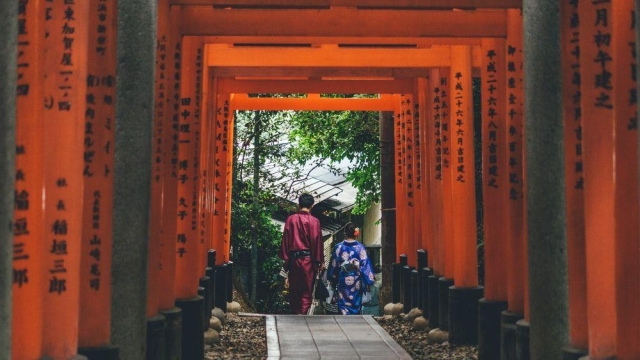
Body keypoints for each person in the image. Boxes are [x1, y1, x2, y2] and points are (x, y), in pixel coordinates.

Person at [278, 193, 324, 314]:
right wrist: (320, 261)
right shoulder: (315, 222)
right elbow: (317, 242)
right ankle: (303, 315)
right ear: (312, 206)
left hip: (293, 260)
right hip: (309, 260)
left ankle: (296, 313)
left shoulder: (291, 220)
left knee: (294, 290)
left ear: (299, 204)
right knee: (306, 291)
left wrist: (286, 262)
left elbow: (286, 241)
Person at [328, 222, 375, 315]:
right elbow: (365, 267)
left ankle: (344, 316)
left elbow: (334, 266)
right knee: (356, 304)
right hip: (356, 282)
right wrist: (369, 281)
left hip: (342, 282)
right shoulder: (360, 248)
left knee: (342, 303)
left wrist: (333, 278)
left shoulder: (338, 247)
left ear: (344, 233)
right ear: (356, 233)